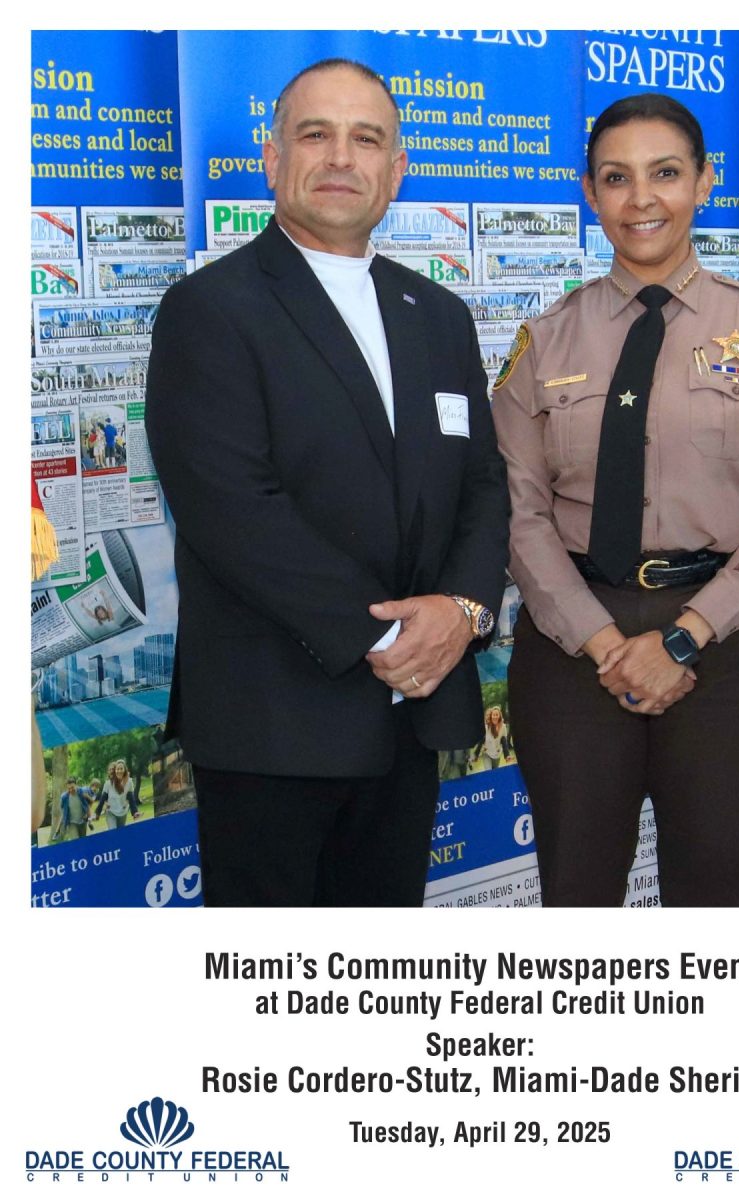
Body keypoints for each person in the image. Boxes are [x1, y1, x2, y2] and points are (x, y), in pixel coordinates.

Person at [145, 58, 509, 907]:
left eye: (366, 139)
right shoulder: (210, 308)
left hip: (411, 720)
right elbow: (232, 510)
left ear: (396, 170)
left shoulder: (438, 315)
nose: (342, 157)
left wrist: (463, 611)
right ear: (274, 160)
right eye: (316, 134)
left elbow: (484, 484)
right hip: (276, 725)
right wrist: (399, 639)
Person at [492, 94, 739, 907]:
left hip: (733, 643)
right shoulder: (544, 341)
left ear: (706, 182)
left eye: (666, 173)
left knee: (716, 889)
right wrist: (604, 641)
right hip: (575, 645)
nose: (641, 198)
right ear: (590, 193)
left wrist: (686, 636)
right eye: (616, 178)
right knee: (576, 890)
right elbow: (517, 513)